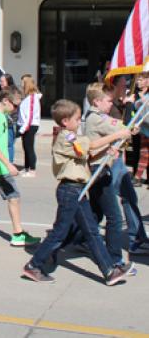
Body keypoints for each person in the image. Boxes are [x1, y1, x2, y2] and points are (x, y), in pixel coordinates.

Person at [22, 99, 133, 285]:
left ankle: (109, 271)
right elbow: (89, 146)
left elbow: (88, 155)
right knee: (60, 232)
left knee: (92, 232)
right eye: (77, 118)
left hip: (78, 189)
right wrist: (116, 135)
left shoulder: (73, 137)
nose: (79, 121)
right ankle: (34, 265)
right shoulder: (67, 137)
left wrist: (109, 149)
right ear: (65, 121)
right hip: (69, 189)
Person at [86, 82, 148, 258]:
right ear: (98, 100)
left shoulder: (108, 109)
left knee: (99, 209)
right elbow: (117, 127)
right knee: (108, 213)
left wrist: (130, 129)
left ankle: (78, 237)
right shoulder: (98, 115)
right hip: (103, 167)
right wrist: (128, 108)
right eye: (109, 99)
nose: (111, 102)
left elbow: (121, 127)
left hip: (113, 161)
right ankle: (115, 258)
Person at [0, 89, 40, 247]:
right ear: (5, 100)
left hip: (1, 170)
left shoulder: (3, 117)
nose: (16, 109)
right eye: (15, 105)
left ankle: (18, 234)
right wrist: (8, 163)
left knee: (14, 196)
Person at [18, 74, 42, 177]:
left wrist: (23, 129)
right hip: (26, 125)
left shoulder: (32, 97)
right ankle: (27, 167)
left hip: (30, 125)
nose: (21, 84)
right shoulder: (27, 97)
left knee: (29, 147)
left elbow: (30, 115)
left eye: (23, 82)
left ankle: (32, 169)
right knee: (25, 147)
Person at [132, 73, 148, 188]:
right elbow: (136, 109)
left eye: (141, 80)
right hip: (143, 130)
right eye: (138, 80)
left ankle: (137, 177)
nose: (138, 82)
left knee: (144, 155)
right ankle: (137, 177)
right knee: (144, 154)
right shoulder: (136, 94)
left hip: (145, 129)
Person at [0, 74, 19, 163]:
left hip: (10, 122)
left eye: (2, 81)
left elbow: (15, 108)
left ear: (8, 81)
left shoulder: (13, 93)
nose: (1, 83)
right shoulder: (0, 92)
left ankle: (9, 162)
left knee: (9, 143)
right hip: (1, 121)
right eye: (0, 81)